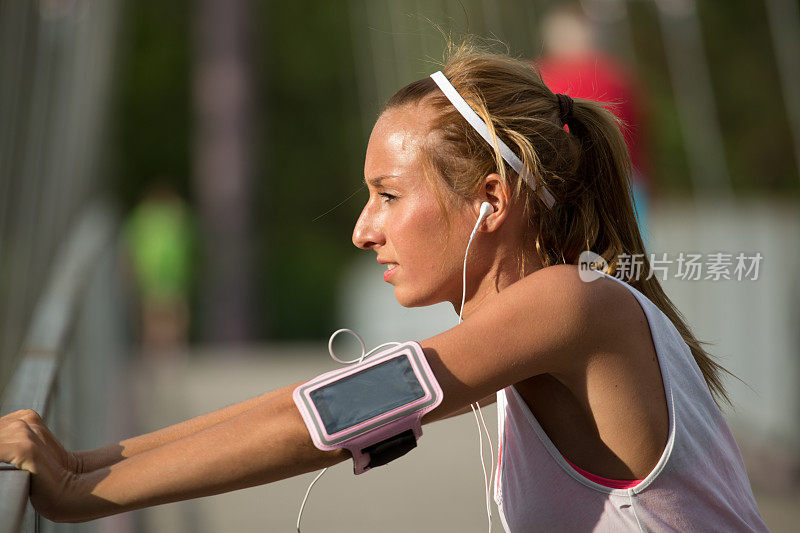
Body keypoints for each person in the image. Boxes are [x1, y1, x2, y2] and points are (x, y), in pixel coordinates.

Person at [0, 40, 767, 530]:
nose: (363, 229)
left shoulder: (569, 302)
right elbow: (308, 405)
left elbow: (324, 420)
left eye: (388, 195)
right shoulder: (546, 321)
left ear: (492, 201)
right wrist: (76, 463)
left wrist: (83, 493)